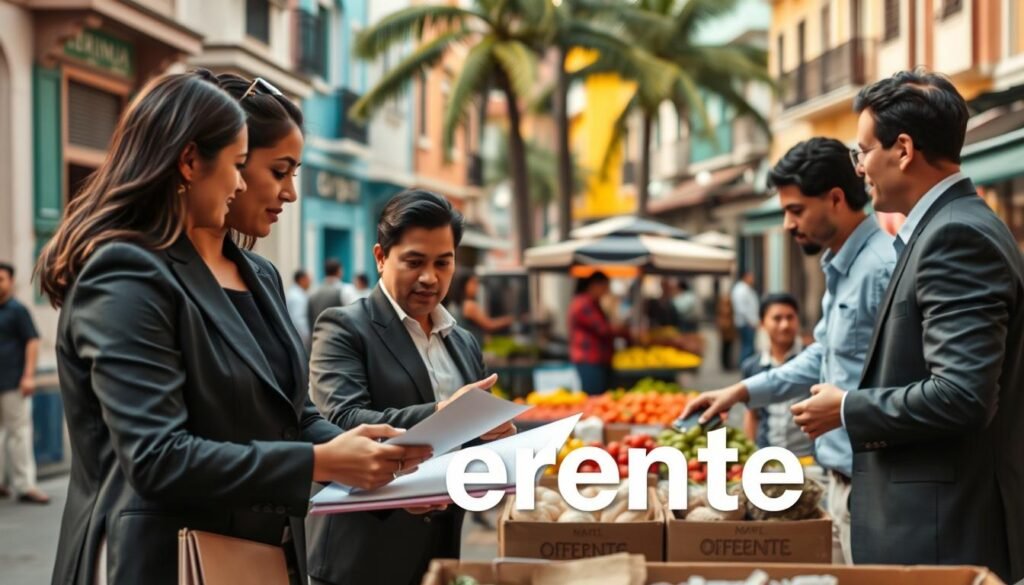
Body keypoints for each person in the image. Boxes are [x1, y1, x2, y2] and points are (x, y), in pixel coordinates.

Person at [38, 71, 430, 585]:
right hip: (159, 562)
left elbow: (292, 417)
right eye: (248, 166)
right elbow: (156, 457)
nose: (253, 186)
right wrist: (319, 462)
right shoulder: (125, 272)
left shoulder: (260, 275)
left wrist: (382, 468)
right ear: (190, 162)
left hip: (260, 558)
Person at [791, 70, 1024, 582]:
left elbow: (961, 395)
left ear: (902, 149)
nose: (860, 168)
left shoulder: (955, 236)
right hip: (935, 524)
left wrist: (847, 407)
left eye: (863, 151)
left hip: (941, 532)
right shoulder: (947, 227)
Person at [679, 137, 896, 564]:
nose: (787, 224)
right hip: (842, 483)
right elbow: (822, 356)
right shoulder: (843, 267)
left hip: (874, 485)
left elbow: (909, 381)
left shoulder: (881, 269)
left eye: (796, 210)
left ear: (835, 199)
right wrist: (741, 391)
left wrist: (845, 407)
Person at [305, 189, 515, 585]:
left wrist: (496, 439)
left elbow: (466, 439)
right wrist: (444, 414)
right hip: (363, 555)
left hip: (440, 549)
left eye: (443, 263)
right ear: (381, 257)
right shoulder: (343, 327)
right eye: (414, 262)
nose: (429, 278)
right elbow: (343, 420)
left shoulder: (463, 342)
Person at [741, 293, 812, 458]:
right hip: (768, 457)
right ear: (762, 323)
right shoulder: (752, 366)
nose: (785, 325)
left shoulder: (812, 362)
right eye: (777, 318)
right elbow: (752, 415)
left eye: (790, 317)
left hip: (809, 458)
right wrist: (750, 456)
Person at [0, 262, 48, 504]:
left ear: (11, 282)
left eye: (1, 279)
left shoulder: (18, 310)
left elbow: (32, 342)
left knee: (19, 434)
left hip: (13, 382)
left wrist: (29, 376)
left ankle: (25, 485)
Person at [569, 271, 620, 395]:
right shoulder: (584, 303)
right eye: (605, 287)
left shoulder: (592, 303)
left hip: (596, 360)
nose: (606, 291)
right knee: (594, 398)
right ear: (594, 285)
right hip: (590, 360)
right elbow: (603, 329)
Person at [448, 269, 514, 343]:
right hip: (471, 344)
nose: (477, 287)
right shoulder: (469, 305)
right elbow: (489, 325)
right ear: (464, 284)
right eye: (473, 283)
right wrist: (509, 320)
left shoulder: (456, 304)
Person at [306, 259, 356, 329]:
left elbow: (309, 317)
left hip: (317, 333)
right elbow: (352, 316)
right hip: (339, 333)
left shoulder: (313, 292)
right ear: (339, 271)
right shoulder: (345, 290)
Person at [730, 272, 760, 364]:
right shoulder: (741, 290)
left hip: (749, 322)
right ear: (746, 277)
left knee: (748, 346)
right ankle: (746, 366)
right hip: (746, 323)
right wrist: (751, 321)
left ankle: (747, 365)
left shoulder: (746, 289)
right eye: (751, 277)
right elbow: (742, 309)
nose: (753, 279)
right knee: (747, 347)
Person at [286, 269, 312, 350]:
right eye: (308, 279)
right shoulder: (297, 297)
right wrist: (307, 338)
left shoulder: (293, 293)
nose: (310, 282)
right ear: (302, 280)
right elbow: (299, 320)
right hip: (298, 339)